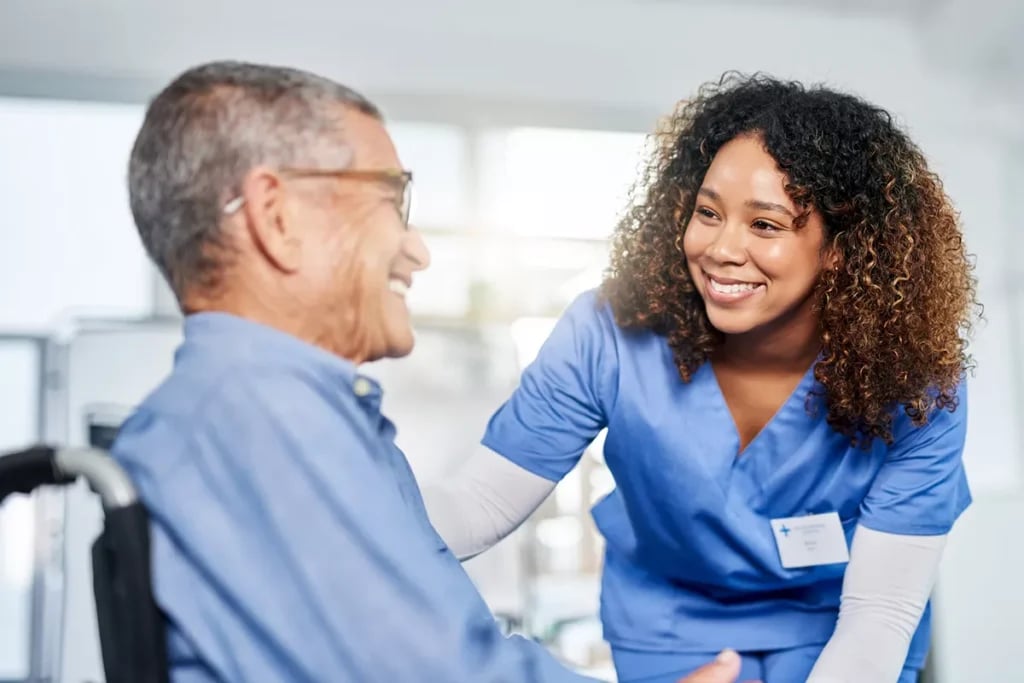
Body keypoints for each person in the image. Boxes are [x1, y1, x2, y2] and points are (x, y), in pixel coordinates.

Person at [112, 60, 746, 683]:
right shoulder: (259, 417)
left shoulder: (273, 415)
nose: (417, 249)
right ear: (276, 218)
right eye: (391, 199)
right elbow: (430, 670)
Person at [423, 73, 979, 683]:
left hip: (839, 629)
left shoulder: (915, 384)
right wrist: (347, 504)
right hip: (671, 628)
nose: (720, 248)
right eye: (707, 212)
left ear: (841, 247)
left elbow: (879, 612)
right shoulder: (609, 333)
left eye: (764, 225)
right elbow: (479, 504)